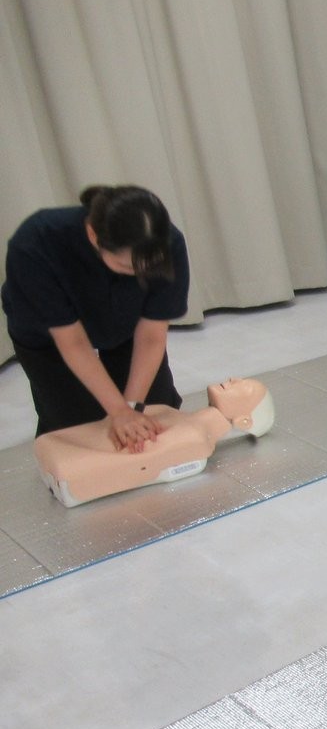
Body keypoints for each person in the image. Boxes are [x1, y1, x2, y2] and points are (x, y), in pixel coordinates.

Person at [3, 185, 190, 452]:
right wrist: (118, 411)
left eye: (147, 269)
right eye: (127, 266)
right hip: (48, 334)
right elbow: (73, 342)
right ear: (93, 235)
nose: (139, 274)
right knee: (80, 432)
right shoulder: (35, 243)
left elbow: (151, 336)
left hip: (125, 320)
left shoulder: (169, 243)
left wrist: (131, 407)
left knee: (153, 414)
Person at [34, 378, 274, 507]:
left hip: (70, 465)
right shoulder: (173, 416)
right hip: (64, 450)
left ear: (244, 421)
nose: (234, 379)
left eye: (244, 388)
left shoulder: (194, 438)